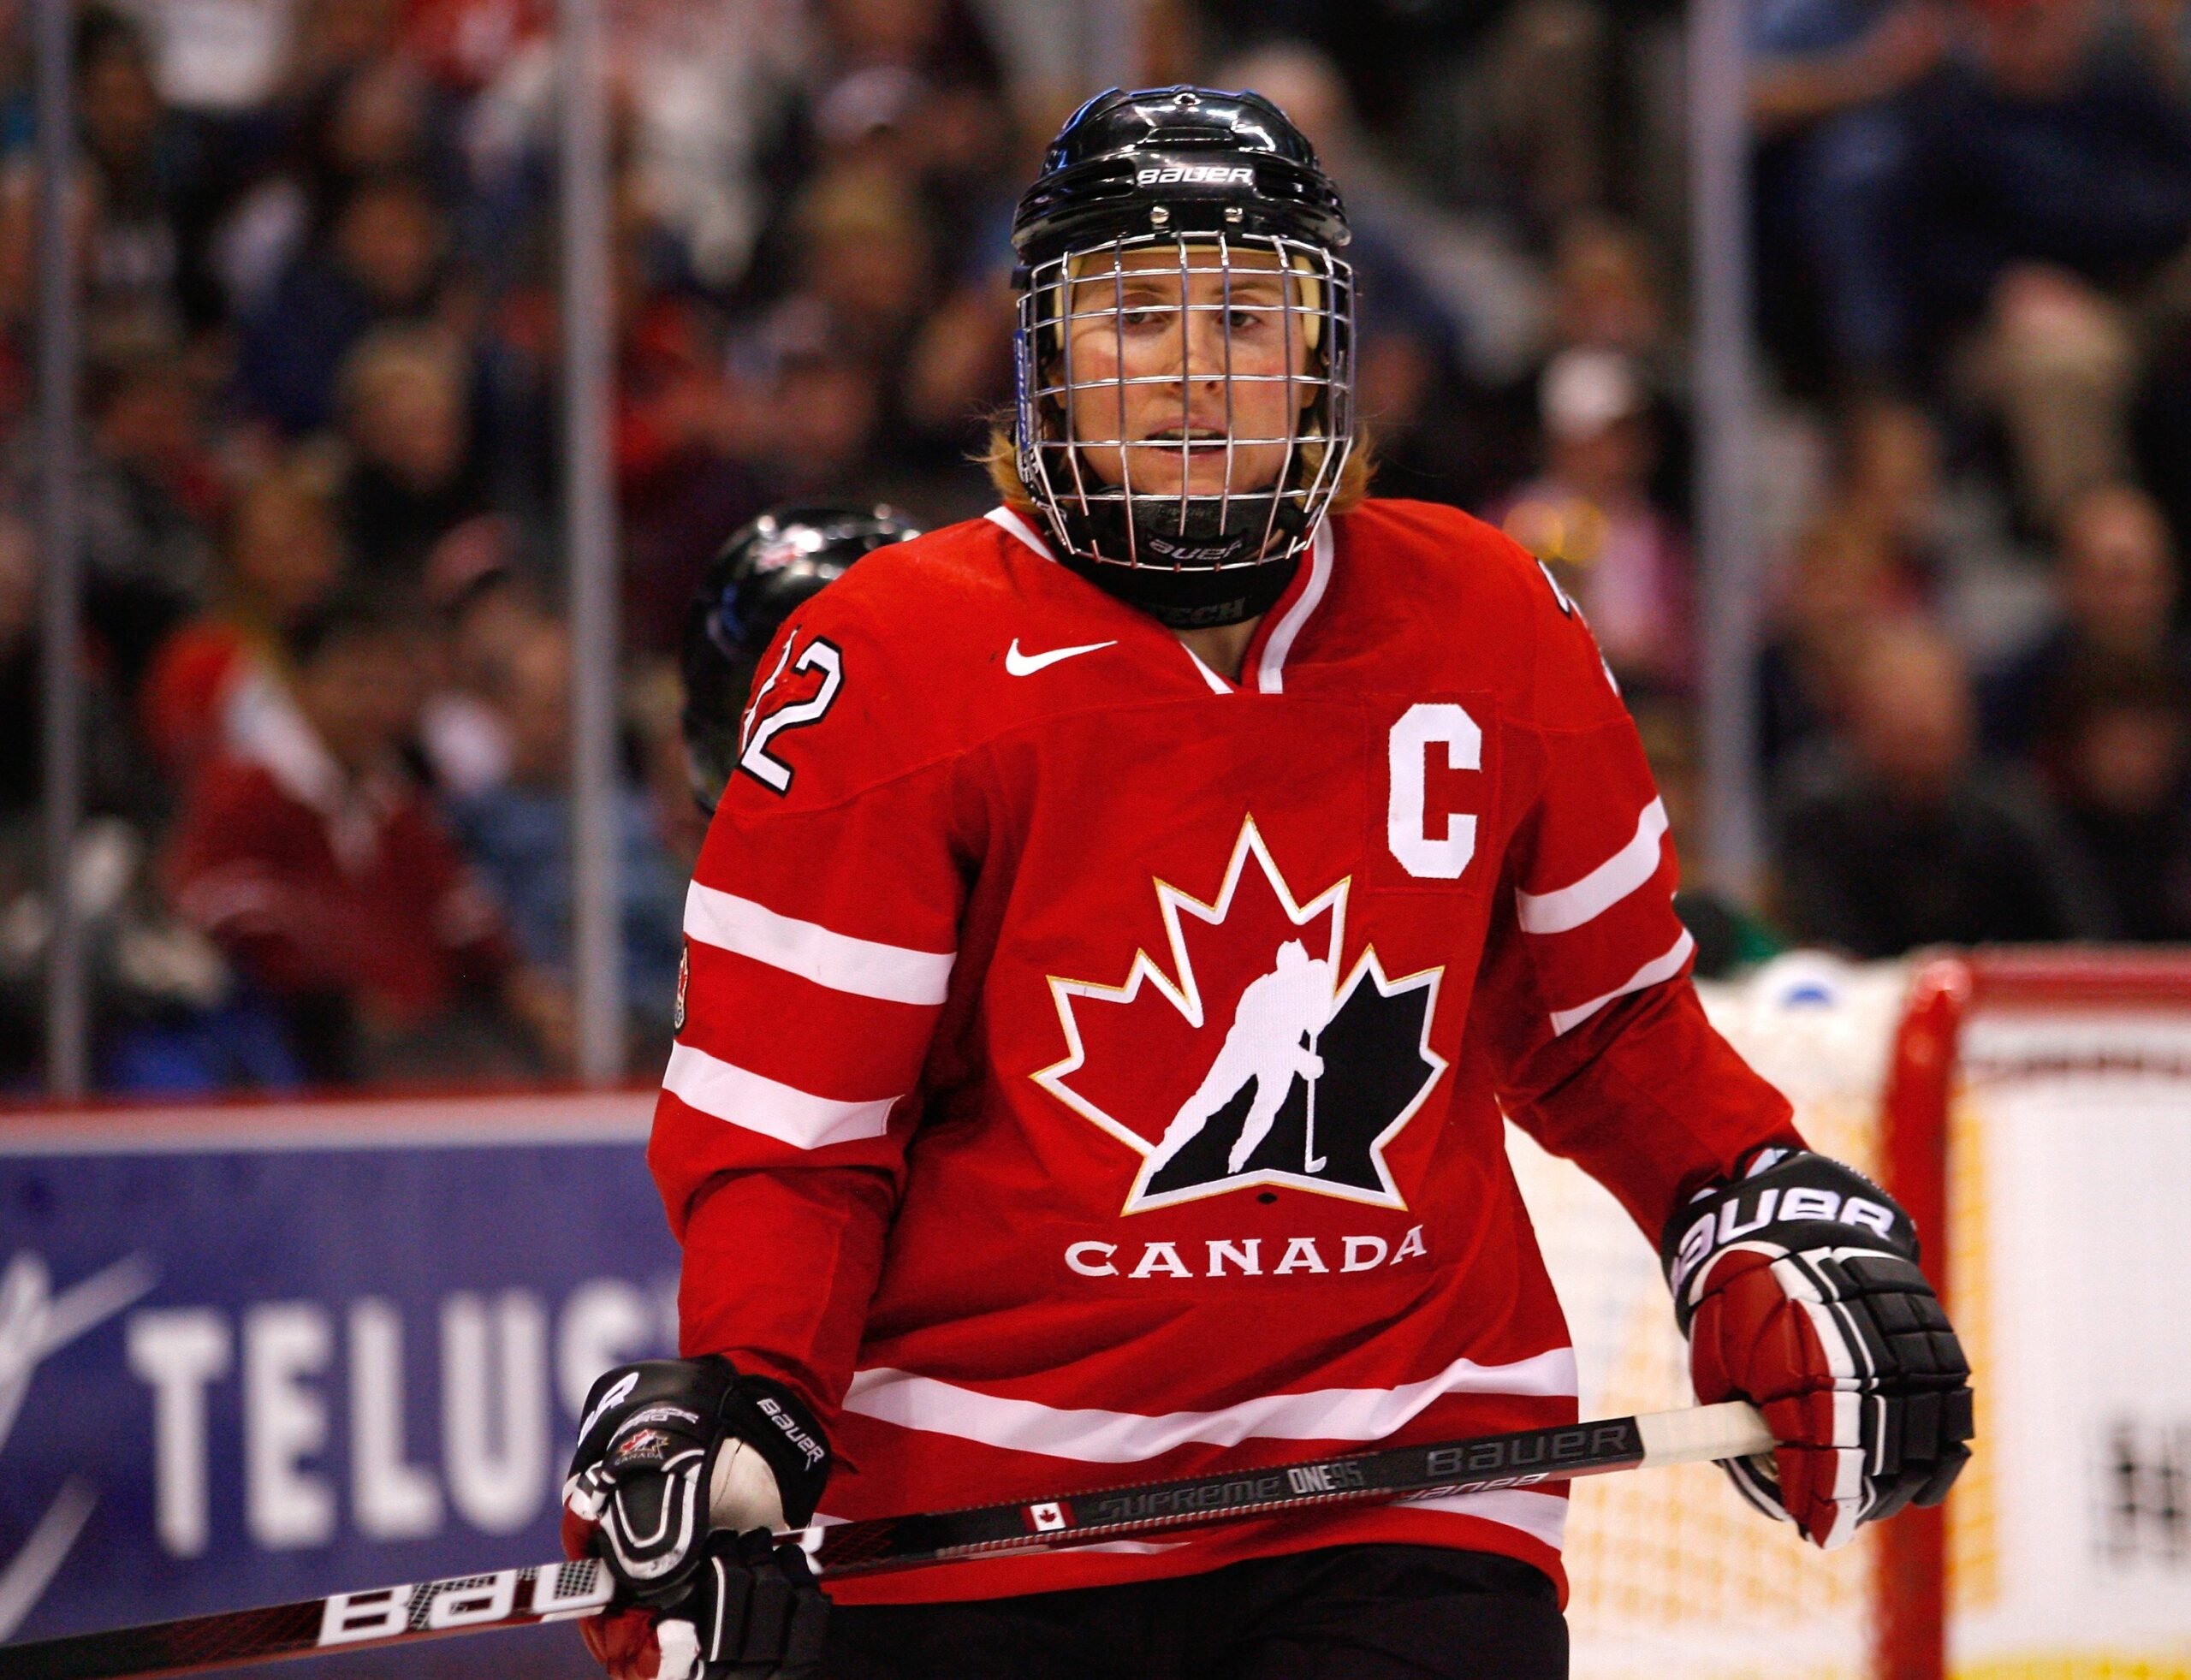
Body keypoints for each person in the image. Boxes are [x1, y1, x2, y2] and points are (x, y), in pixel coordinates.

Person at [561, 87, 1971, 1680]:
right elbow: (798, 1146)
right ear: (1043, 361)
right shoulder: (886, 665)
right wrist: (747, 1398)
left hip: (1405, 1501)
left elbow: (1606, 1023)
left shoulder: (1491, 621)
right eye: (1135, 314)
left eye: (1246, 311)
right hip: (976, 1530)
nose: (1192, 366)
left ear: (1322, 354)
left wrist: (1739, 1200)